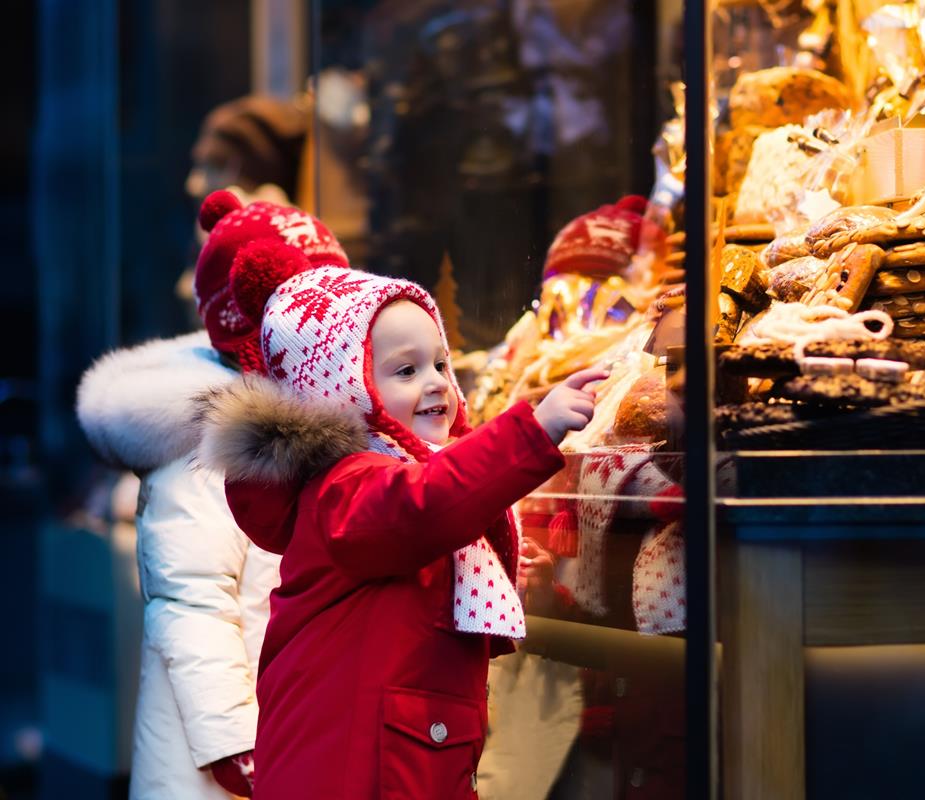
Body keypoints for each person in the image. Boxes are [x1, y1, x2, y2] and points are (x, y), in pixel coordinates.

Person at [195, 251, 605, 798]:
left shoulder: (393, 482)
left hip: (402, 756)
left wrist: (498, 572)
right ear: (344, 389)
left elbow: (428, 553)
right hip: (354, 766)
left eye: (440, 363)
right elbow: (428, 506)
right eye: (406, 370)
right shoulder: (348, 485)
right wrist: (533, 431)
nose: (436, 383)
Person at [76, 190, 350, 798]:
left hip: (293, 724)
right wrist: (233, 741)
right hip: (221, 753)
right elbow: (190, 602)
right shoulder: (204, 443)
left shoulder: (312, 421)